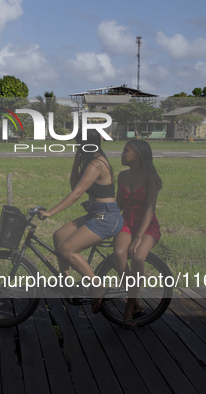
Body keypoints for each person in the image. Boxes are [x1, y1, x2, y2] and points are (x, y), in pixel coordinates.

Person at [38, 130, 123, 313]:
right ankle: (65, 283)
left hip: (107, 217)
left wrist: (51, 212)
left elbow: (76, 194)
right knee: (59, 235)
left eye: (79, 144)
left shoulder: (96, 164)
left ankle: (97, 285)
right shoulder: (89, 161)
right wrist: (76, 161)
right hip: (96, 214)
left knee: (67, 249)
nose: (77, 147)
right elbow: (74, 186)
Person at [113, 139, 162, 329]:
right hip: (126, 223)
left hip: (147, 226)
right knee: (119, 254)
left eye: (126, 151)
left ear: (138, 155)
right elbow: (119, 204)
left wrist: (139, 237)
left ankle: (129, 307)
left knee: (138, 258)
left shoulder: (151, 177)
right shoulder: (122, 176)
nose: (122, 153)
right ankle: (134, 299)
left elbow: (150, 209)